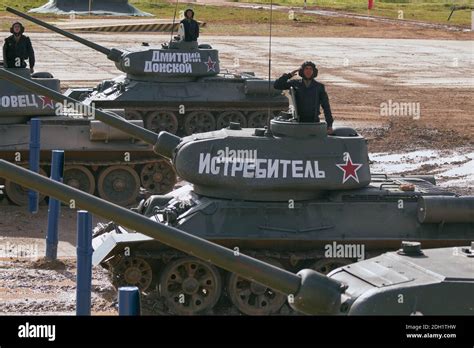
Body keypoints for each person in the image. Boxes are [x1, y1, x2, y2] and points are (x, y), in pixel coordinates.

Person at [274, 61, 333, 134]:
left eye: (311, 69)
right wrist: (288, 75)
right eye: (306, 69)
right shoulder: (295, 84)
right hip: (298, 122)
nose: (308, 71)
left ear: (314, 71)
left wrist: (329, 125)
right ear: (302, 71)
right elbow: (277, 85)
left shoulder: (319, 87)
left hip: (313, 122)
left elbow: (326, 106)